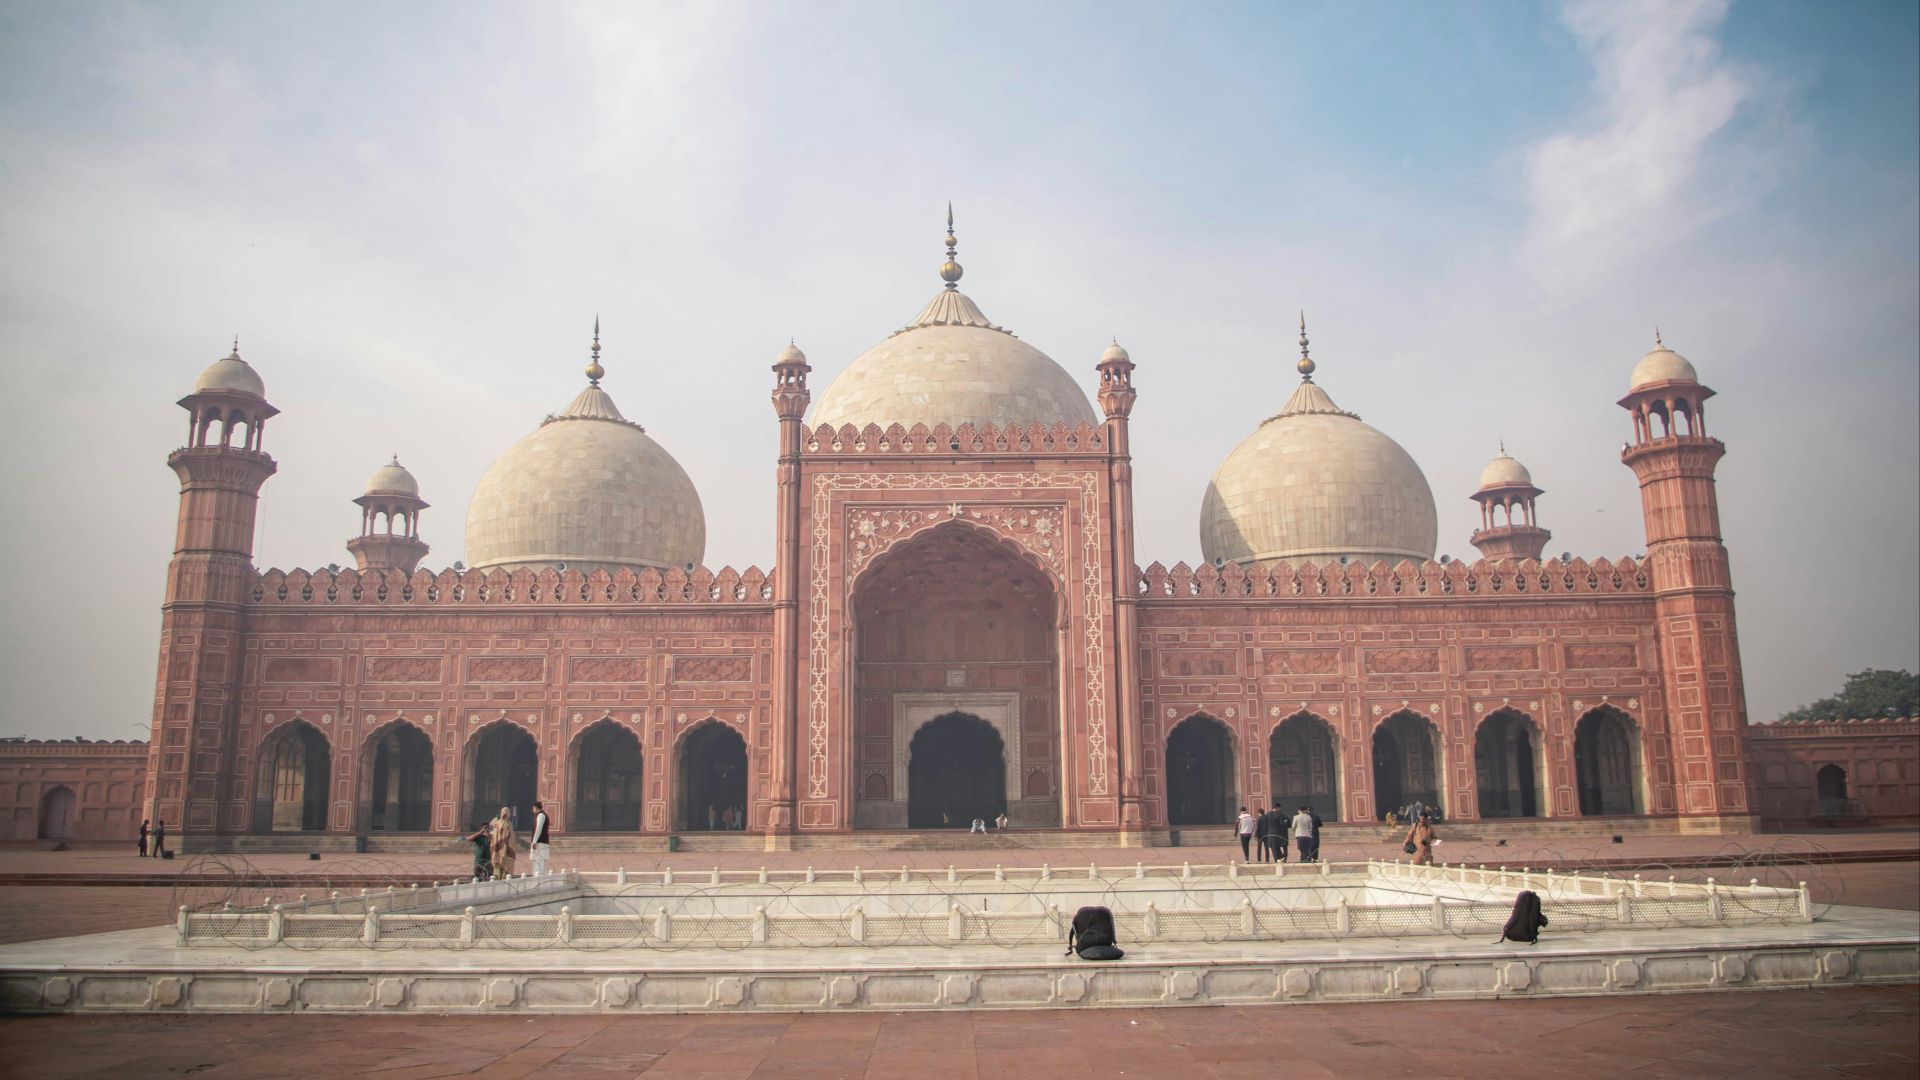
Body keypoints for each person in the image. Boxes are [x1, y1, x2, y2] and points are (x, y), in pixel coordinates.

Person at [488, 806, 518, 879]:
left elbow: (494, 837)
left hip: (498, 849)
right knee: (504, 869)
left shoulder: (497, 823)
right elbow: (512, 839)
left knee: (498, 866)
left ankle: (497, 881)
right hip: (505, 849)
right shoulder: (508, 824)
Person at [528, 801, 551, 876]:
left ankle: (538, 879)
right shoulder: (541, 815)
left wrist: (534, 842)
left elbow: (538, 829)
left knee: (539, 861)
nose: (532, 810)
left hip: (540, 842)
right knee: (539, 862)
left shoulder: (541, 815)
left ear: (535, 807)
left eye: (533, 808)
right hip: (541, 842)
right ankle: (539, 878)